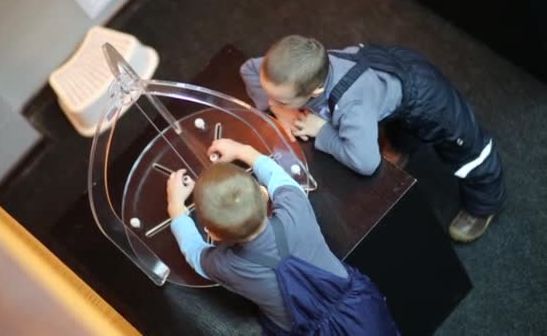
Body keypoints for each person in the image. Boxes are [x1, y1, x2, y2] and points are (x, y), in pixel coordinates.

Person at [240, 35, 506, 242]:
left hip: (426, 99)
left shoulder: (351, 106)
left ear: (316, 90)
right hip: (384, 78)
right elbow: (249, 69)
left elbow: (365, 162)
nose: (274, 102)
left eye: (282, 100)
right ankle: (401, 145)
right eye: (270, 95)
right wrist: (280, 110)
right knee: (395, 125)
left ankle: (485, 203)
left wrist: (322, 131)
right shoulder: (294, 69)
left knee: (469, 151)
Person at [166, 139, 399, 335]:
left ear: (213, 234)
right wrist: (244, 152)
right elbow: (280, 179)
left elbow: (194, 253)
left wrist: (176, 208)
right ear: (264, 193)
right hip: (361, 313)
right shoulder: (294, 208)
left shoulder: (224, 264)